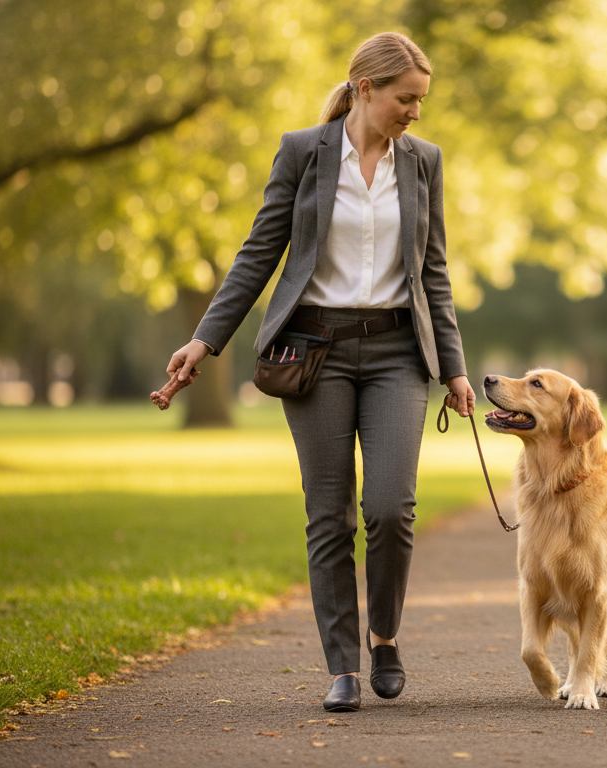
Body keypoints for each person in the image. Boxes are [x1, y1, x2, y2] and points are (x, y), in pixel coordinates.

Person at [165, 32, 474, 713]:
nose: (415, 112)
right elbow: (259, 251)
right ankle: (342, 666)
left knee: (391, 509)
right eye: (406, 98)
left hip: (397, 352)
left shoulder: (424, 162)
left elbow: (434, 272)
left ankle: (384, 634)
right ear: (366, 89)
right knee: (328, 514)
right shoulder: (303, 152)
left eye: (421, 100)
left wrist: (453, 367)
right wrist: (204, 341)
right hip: (313, 355)